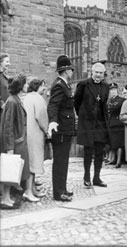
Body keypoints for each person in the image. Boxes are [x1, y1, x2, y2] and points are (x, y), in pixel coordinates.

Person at [74, 62, 109, 188]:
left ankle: (97, 177)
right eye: (96, 72)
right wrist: (83, 115)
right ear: (92, 72)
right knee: (88, 151)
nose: (98, 75)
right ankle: (87, 177)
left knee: (100, 151)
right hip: (88, 123)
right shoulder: (84, 84)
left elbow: (104, 104)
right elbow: (76, 102)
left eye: (101, 73)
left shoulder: (106, 86)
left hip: (100, 123)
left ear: (103, 74)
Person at [47, 55, 76, 202]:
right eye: (71, 69)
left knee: (63, 161)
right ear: (66, 71)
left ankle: (62, 189)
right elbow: (53, 105)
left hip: (65, 129)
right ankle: (59, 193)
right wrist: (52, 121)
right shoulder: (59, 85)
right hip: (61, 130)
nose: (72, 72)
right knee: (60, 161)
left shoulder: (64, 84)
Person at [0, 74, 30, 209]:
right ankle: (5, 199)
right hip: (14, 142)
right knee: (9, 169)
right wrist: (9, 147)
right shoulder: (12, 101)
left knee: (12, 170)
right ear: (20, 86)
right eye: (25, 83)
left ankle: (7, 198)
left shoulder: (16, 99)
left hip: (17, 141)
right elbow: (8, 126)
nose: (27, 86)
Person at [23, 78, 49, 199]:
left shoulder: (26, 97)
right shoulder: (38, 99)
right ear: (37, 86)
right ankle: (29, 191)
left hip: (27, 133)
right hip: (35, 134)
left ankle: (32, 189)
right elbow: (42, 117)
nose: (44, 89)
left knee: (30, 163)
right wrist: (47, 130)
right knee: (33, 164)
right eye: (43, 86)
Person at [107, 82, 125, 168]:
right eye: (111, 90)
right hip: (111, 123)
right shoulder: (109, 101)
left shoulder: (121, 100)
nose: (113, 91)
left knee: (119, 143)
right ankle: (112, 160)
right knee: (112, 143)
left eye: (114, 90)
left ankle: (119, 161)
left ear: (117, 90)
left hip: (118, 124)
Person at [0, 53, 10, 118]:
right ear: (0, 63)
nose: (9, 64)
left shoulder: (4, 77)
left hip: (6, 112)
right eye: (7, 62)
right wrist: (1, 103)